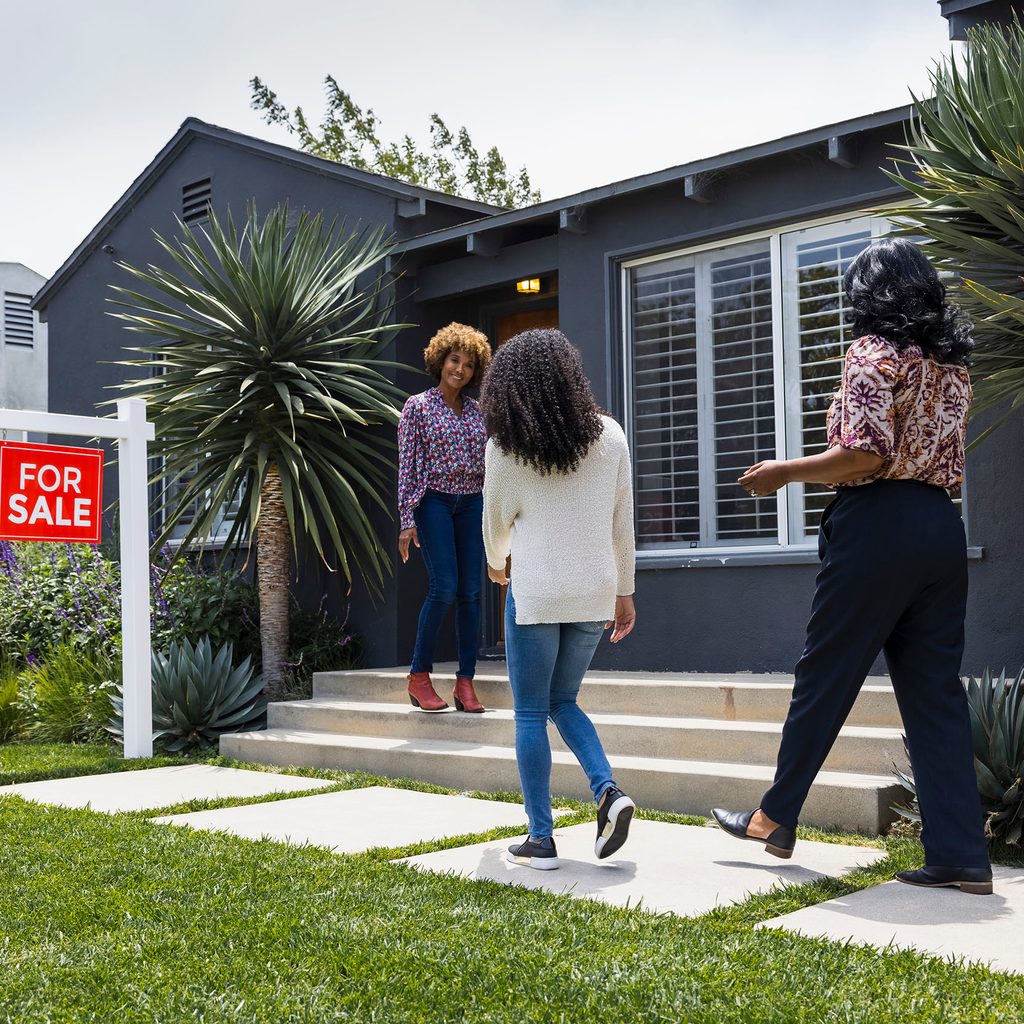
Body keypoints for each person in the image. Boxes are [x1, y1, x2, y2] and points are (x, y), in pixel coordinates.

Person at [712, 238, 992, 895]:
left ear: (868, 294)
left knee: (826, 673)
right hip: (939, 528)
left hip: (879, 527)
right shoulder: (953, 366)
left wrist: (783, 473)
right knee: (934, 694)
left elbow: (865, 455)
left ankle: (774, 817)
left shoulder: (870, 354)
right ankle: (960, 856)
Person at [481, 328, 638, 870]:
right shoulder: (612, 435)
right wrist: (625, 591)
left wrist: (498, 567)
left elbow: (495, 527)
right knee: (563, 701)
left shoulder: (505, 448)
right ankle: (608, 792)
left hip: (537, 594)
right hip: (594, 592)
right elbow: (623, 526)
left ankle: (541, 839)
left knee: (530, 712)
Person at [398, 322, 492, 714]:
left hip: (472, 502)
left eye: (469, 365)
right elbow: (407, 463)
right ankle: (419, 676)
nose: (461, 370)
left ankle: (465, 682)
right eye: (455, 360)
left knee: (471, 592)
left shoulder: (478, 411)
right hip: (433, 500)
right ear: (441, 360)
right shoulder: (417, 407)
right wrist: (407, 517)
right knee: (444, 587)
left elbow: (490, 463)